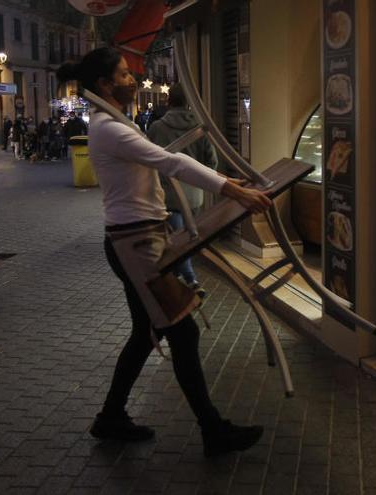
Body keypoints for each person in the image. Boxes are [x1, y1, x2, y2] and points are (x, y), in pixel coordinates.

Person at [56, 47, 271, 457]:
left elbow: (169, 162)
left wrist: (228, 178)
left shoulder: (114, 122)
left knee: (144, 333)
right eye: (123, 74)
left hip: (136, 239)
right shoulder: (111, 128)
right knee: (182, 331)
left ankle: (111, 417)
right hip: (137, 244)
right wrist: (234, 190)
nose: (132, 79)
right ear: (104, 85)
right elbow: (171, 162)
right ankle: (213, 430)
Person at [147, 84, 216, 297]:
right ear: (189, 102)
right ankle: (183, 281)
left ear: (169, 101)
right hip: (195, 195)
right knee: (185, 241)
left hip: (169, 194)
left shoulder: (157, 128)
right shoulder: (199, 127)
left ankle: (189, 280)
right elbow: (212, 161)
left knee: (177, 242)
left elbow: (148, 162)